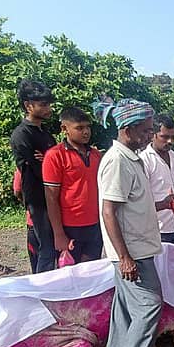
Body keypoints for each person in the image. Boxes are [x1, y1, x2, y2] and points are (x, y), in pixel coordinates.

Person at [99, 98, 174, 347]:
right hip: (131, 252)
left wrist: (161, 204)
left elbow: (133, 205)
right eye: (145, 131)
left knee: (126, 305)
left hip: (137, 248)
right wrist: (125, 257)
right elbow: (109, 211)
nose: (148, 136)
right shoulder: (118, 162)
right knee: (150, 304)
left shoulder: (131, 158)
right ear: (127, 130)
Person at [42, 107, 103, 264]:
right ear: (64, 129)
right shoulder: (55, 156)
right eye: (79, 128)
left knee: (91, 272)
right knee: (71, 276)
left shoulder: (96, 155)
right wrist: (59, 233)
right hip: (69, 226)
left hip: (94, 225)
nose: (86, 132)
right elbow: (51, 198)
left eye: (88, 127)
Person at [10, 79, 57, 272]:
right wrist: (47, 161)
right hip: (37, 199)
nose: (49, 109)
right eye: (43, 104)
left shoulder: (45, 133)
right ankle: (41, 294)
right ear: (28, 106)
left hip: (52, 197)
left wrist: (46, 159)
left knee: (55, 246)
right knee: (45, 248)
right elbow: (39, 170)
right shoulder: (21, 135)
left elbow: (55, 163)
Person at [141, 114, 174, 246]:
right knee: (159, 266)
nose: (170, 141)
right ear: (153, 135)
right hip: (157, 230)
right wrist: (163, 204)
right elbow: (141, 201)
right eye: (165, 137)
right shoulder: (144, 160)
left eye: (173, 137)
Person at [12, 168, 38, 273]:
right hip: (59, 221)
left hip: (33, 220)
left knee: (37, 263)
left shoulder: (23, 165)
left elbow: (17, 190)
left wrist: (27, 204)